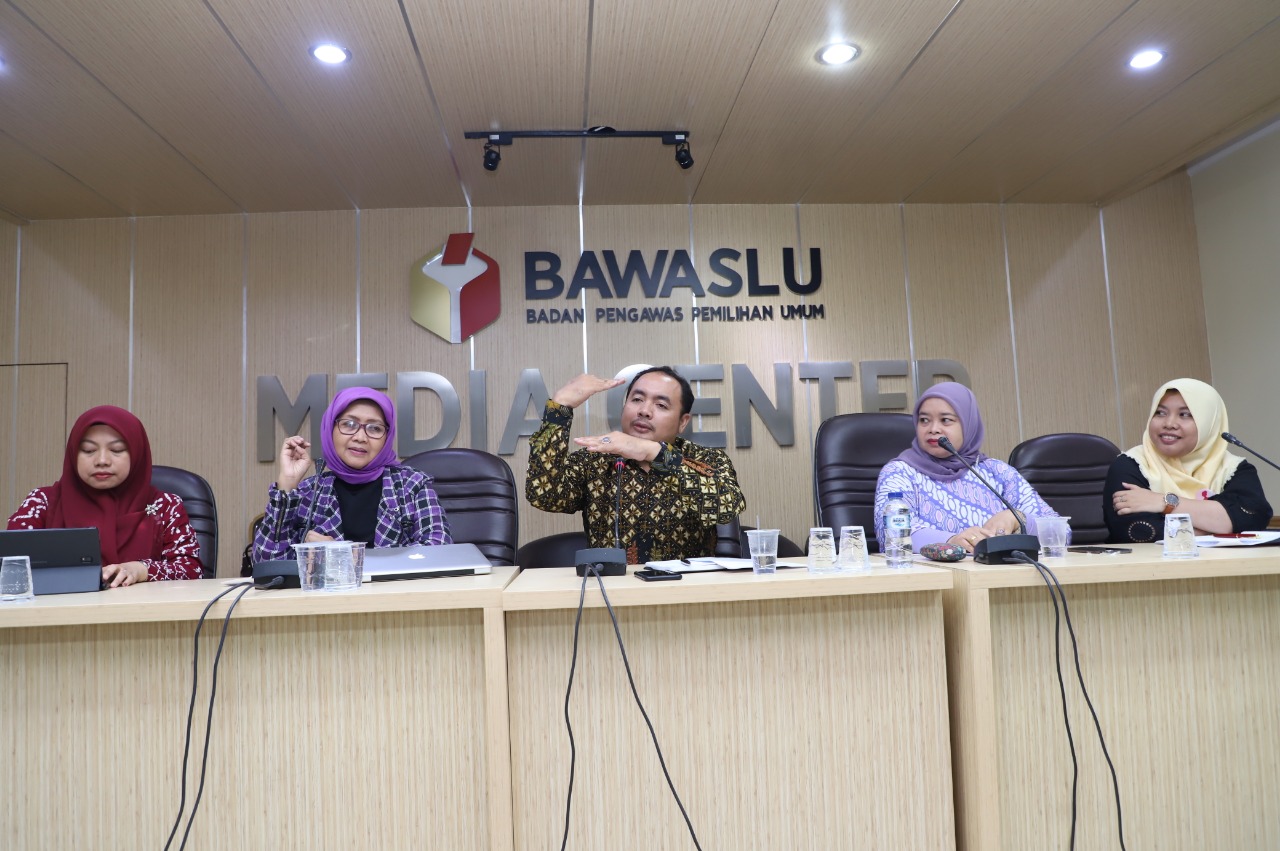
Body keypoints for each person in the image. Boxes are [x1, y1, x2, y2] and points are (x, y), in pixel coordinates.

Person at [526, 366, 746, 563]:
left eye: (661, 405)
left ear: (683, 422)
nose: (644, 411)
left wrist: (653, 452)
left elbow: (727, 508)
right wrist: (559, 409)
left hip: (685, 590)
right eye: (637, 399)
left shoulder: (706, 460)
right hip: (611, 590)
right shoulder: (595, 459)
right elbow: (545, 495)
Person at [7, 405, 203, 587]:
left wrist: (141, 569)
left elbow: (191, 570)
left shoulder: (165, 505)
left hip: (143, 611)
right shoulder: (43, 501)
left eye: (116, 450)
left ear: (136, 454)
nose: (102, 460)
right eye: (88, 450)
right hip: (58, 611)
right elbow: (9, 567)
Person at [252, 386, 451, 561]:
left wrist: (343, 554)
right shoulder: (309, 492)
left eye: (375, 428)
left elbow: (438, 550)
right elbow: (267, 563)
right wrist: (287, 485)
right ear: (330, 429)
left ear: (387, 437)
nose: (361, 437)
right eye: (349, 424)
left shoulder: (412, 485)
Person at [874, 382, 1057, 553]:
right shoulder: (899, 472)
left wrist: (1016, 517)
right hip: (930, 574)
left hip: (997, 573)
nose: (933, 429)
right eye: (924, 420)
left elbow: (1058, 531)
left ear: (969, 424)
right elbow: (890, 535)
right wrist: (950, 541)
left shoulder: (996, 472)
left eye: (945, 420)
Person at [1104, 378, 1271, 543]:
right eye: (1160, 413)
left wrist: (1163, 502)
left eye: (1185, 415)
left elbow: (1253, 518)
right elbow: (1137, 531)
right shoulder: (1130, 464)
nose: (1169, 423)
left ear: (1209, 423)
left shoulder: (1233, 468)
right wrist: (1216, 526)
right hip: (1150, 561)